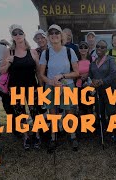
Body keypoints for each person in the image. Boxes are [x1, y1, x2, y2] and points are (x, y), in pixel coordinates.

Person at [0, 24, 41, 150]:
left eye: (20, 33)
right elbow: (2, 71)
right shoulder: (9, 52)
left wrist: (41, 87)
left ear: (24, 34)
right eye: (15, 33)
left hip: (32, 88)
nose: (18, 35)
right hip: (15, 89)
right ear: (12, 36)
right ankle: (26, 137)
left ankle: (37, 135)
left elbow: (38, 72)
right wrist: (8, 62)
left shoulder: (33, 52)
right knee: (20, 114)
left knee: (35, 113)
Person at [39, 24, 79, 152]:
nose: (54, 35)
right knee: (53, 113)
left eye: (57, 33)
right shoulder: (45, 53)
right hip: (51, 86)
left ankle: (72, 136)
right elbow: (41, 74)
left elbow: (76, 73)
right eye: (51, 33)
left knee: (69, 113)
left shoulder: (69, 51)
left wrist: (62, 76)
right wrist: (52, 82)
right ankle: (53, 137)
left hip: (67, 85)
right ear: (48, 37)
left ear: (61, 36)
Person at [89, 40, 116, 143]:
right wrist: (92, 82)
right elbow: (90, 76)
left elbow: (113, 74)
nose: (99, 49)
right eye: (98, 46)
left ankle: (114, 133)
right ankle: (104, 130)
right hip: (98, 92)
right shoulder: (93, 62)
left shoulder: (110, 60)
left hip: (110, 90)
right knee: (99, 112)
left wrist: (102, 81)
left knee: (111, 112)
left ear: (106, 49)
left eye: (102, 47)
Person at [76, 41, 93, 115]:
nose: (83, 49)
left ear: (88, 49)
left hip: (89, 86)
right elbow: (73, 71)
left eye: (85, 47)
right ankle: (83, 125)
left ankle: (89, 125)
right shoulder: (76, 60)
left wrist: (87, 75)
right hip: (79, 86)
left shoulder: (92, 59)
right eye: (81, 47)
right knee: (81, 107)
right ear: (79, 49)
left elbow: (95, 71)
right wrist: (79, 76)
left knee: (89, 107)